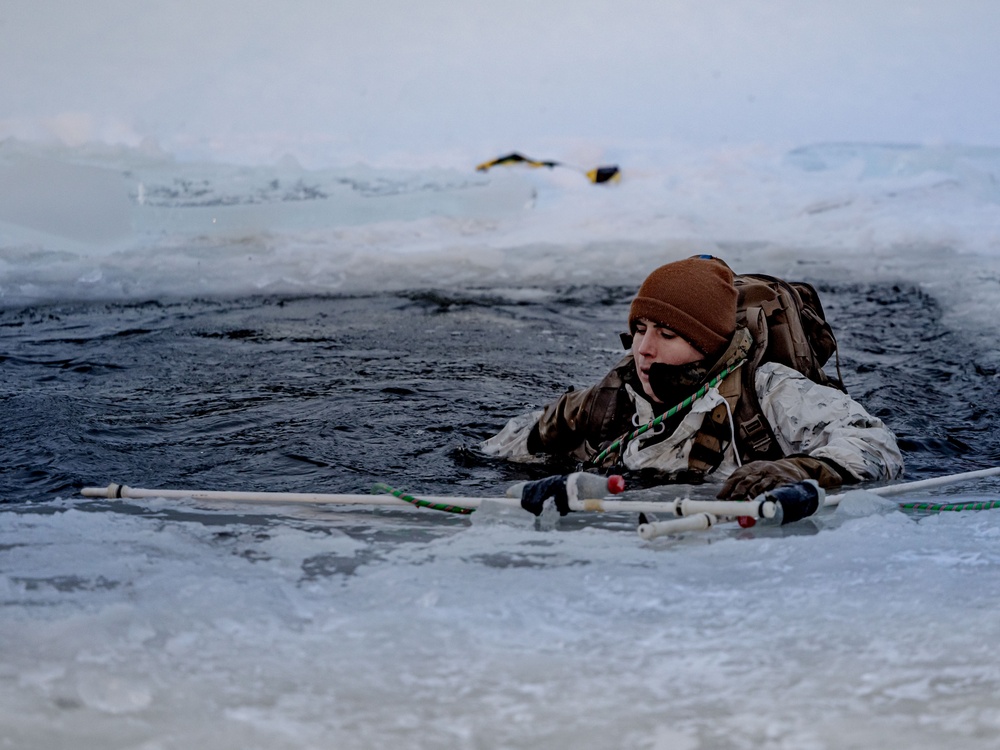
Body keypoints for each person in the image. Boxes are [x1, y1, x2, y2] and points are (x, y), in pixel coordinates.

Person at [480, 255, 904, 500]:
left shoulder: (769, 389)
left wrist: (799, 471)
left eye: (666, 335)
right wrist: (546, 431)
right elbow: (491, 454)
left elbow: (874, 444)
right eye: (640, 330)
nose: (644, 349)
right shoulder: (613, 398)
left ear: (709, 344)